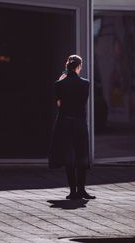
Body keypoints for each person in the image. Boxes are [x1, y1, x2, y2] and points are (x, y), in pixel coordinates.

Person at [49, 54, 96, 200]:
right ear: (79, 66)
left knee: (69, 155)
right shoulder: (85, 83)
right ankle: (81, 190)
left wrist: (61, 80)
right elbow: (83, 102)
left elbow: (59, 104)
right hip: (80, 123)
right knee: (82, 155)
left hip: (65, 122)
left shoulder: (59, 84)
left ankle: (73, 191)